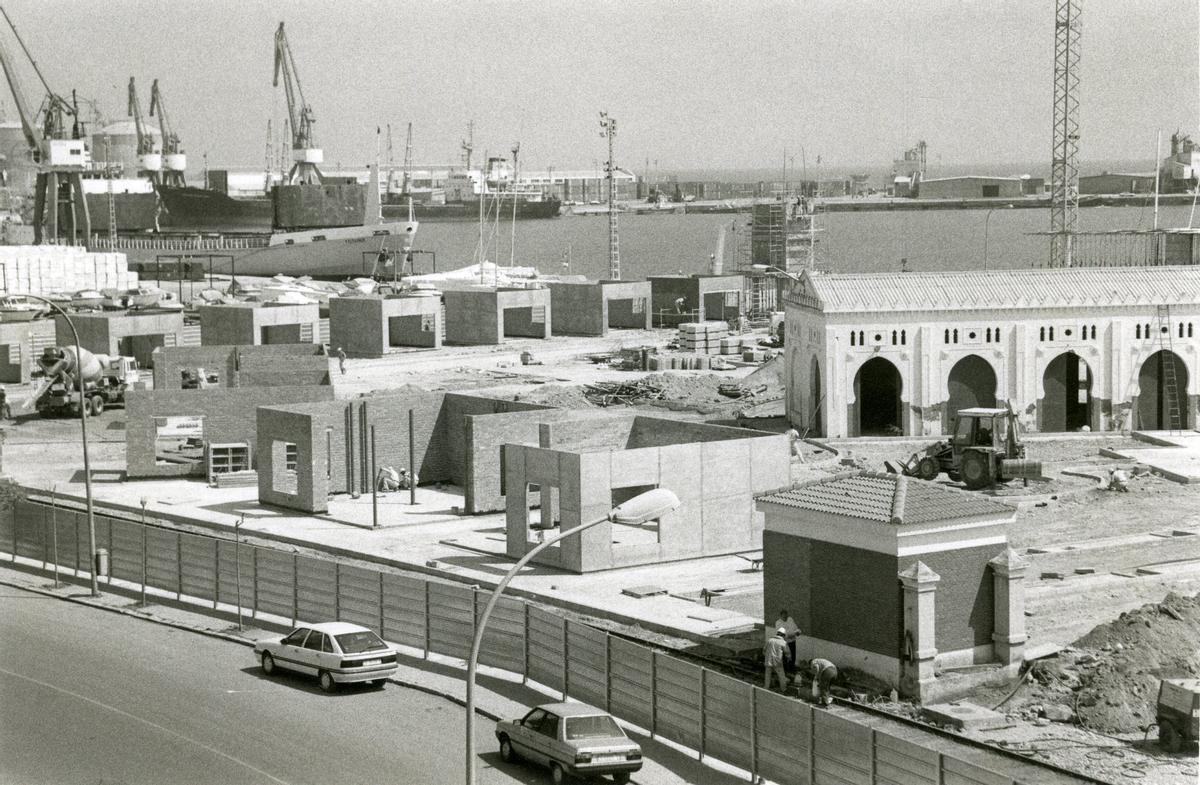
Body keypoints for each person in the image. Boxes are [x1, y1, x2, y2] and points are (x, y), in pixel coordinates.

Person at [763, 628, 789, 693]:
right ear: (783, 635)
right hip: (777, 662)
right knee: (781, 676)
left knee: (767, 675)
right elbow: (787, 653)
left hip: (768, 661)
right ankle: (783, 689)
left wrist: (767, 656)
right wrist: (788, 658)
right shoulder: (783, 642)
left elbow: (764, 651)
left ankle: (766, 688)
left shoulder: (769, 640)